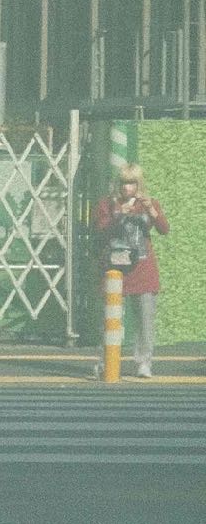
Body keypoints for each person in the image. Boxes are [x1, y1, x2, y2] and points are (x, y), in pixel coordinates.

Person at [94, 162, 170, 379]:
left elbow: (164, 229)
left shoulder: (147, 203)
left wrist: (152, 210)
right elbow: (99, 229)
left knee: (145, 319)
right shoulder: (107, 204)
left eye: (132, 183)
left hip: (143, 268)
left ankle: (144, 362)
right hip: (115, 268)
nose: (127, 188)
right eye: (124, 183)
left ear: (139, 185)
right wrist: (119, 214)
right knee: (109, 320)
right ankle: (105, 362)